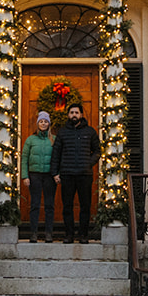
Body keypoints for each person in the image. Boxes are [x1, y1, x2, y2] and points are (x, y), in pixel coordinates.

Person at [51, 103, 100, 244]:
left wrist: (88, 163)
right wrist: (55, 173)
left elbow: (97, 151)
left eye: (76, 112)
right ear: (68, 115)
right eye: (71, 112)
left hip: (85, 175)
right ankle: (69, 235)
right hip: (67, 174)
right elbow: (56, 154)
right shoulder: (62, 132)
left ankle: (83, 235)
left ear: (81, 115)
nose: (74, 115)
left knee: (85, 206)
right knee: (67, 206)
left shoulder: (90, 132)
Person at [20, 110, 57, 242]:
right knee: (35, 204)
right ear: (37, 124)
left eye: (45, 121)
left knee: (49, 205)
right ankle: (34, 233)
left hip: (49, 176)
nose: (43, 123)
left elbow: (58, 158)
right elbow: (24, 158)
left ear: (49, 124)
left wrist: (57, 174)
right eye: (41, 121)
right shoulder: (31, 140)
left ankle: (48, 233)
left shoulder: (53, 140)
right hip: (34, 175)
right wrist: (25, 176)